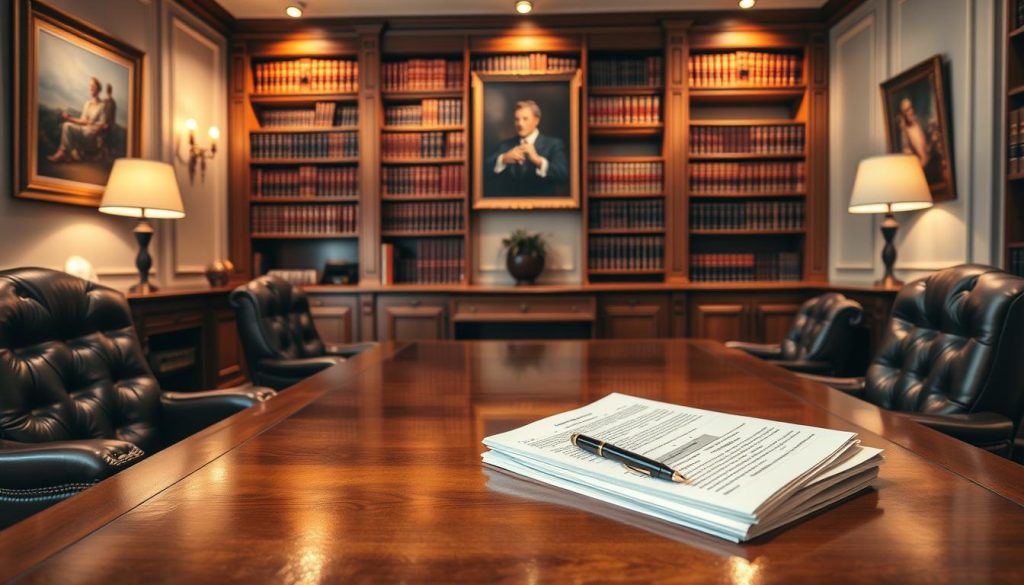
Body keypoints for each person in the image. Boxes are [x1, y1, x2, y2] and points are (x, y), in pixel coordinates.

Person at [485, 100, 569, 196]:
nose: (520, 124)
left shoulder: (554, 144)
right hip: (510, 207)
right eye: (517, 119)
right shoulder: (505, 145)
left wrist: (537, 160)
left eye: (525, 119)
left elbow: (563, 175)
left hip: (543, 207)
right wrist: (503, 159)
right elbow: (484, 171)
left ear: (536, 120)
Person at [47, 76, 109, 162]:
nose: (90, 88)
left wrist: (93, 125)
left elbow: (103, 123)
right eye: (90, 86)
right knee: (67, 126)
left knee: (85, 133)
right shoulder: (87, 104)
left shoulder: (103, 105)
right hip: (84, 131)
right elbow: (82, 121)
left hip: (92, 135)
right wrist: (70, 118)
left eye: (93, 86)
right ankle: (63, 153)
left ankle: (68, 154)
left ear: (98, 89)